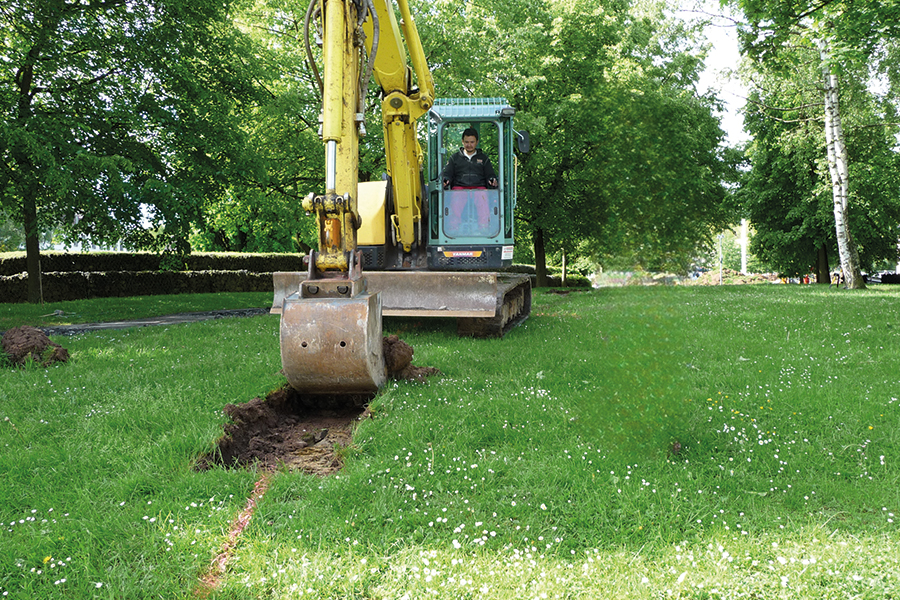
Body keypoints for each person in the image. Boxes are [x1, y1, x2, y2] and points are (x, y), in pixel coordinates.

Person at [441, 128, 498, 235]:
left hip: (479, 187)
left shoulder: (483, 159)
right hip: (460, 187)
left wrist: (492, 180)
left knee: (483, 198)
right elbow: (448, 173)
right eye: (467, 142)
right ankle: (454, 229)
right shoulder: (454, 158)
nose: (469, 145)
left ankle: (484, 228)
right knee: (456, 200)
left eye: (472, 142)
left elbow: (490, 174)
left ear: (477, 142)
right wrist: (446, 180)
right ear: (462, 141)